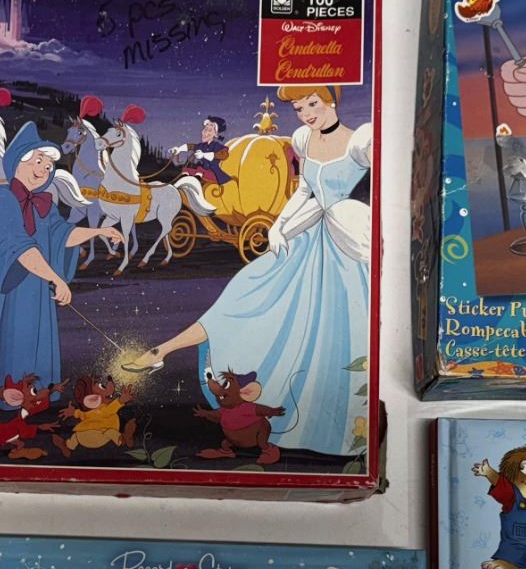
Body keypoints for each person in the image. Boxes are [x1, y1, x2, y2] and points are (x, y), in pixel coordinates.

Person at [122, 85, 371, 458]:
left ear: (331, 101)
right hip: (301, 236)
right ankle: (163, 350)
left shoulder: (360, 141)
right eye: (299, 107)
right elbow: (304, 190)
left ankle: (328, 421)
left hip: (344, 244)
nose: (306, 114)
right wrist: (279, 227)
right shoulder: (304, 140)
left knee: (331, 329)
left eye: (313, 104)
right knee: (243, 293)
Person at [0, 122, 114, 413]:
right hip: (5, 292)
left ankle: (32, 400)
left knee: (31, 340)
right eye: (38, 161)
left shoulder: (45, 206)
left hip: (34, 292)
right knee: (5, 342)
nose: (43, 170)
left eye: (48, 166)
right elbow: (18, 247)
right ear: (17, 161)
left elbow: (62, 235)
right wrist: (56, 278)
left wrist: (98, 232)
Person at [171, 115, 229, 187]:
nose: (205, 132)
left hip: (215, 174)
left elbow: (224, 155)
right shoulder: (201, 146)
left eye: (209, 130)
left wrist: (204, 155)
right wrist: (179, 149)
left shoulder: (217, 146)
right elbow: (190, 146)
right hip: (203, 171)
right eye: (205, 129)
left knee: (199, 172)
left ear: (215, 134)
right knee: (187, 171)